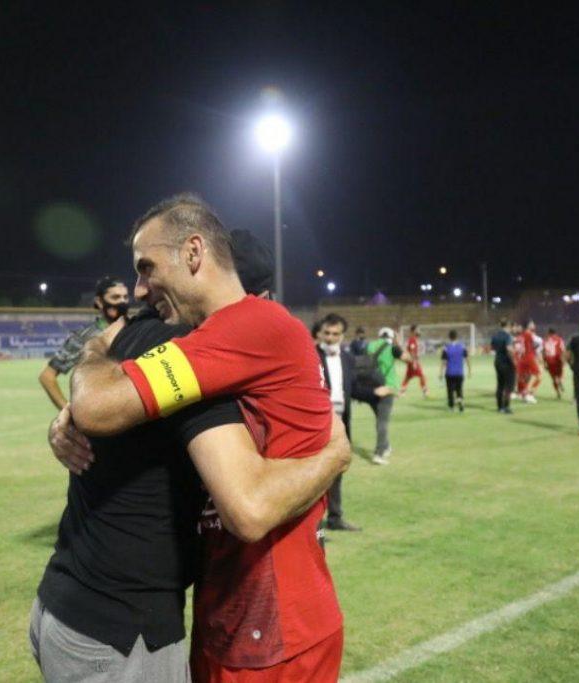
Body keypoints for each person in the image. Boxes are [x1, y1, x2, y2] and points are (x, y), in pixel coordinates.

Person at [66, 195, 345, 681]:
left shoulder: (247, 326)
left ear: (194, 252)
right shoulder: (218, 336)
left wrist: (336, 456)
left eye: (147, 268)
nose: (138, 290)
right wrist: (67, 417)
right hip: (235, 608)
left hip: (275, 622)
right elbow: (100, 402)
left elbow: (98, 405)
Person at [38, 277, 130, 410]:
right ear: (99, 302)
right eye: (115, 297)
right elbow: (47, 376)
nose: (122, 302)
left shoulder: (137, 328)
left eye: (125, 297)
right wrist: (68, 412)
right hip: (102, 414)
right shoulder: (84, 337)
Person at [314, 313, 361, 531]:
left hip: (341, 423)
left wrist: (375, 393)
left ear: (342, 336)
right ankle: (313, 523)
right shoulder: (310, 356)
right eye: (327, 333)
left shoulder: (348, 359)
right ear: (320, 333)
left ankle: (335, 518)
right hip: (317, 424)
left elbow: (354, 388)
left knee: (337, 470)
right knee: (314, 474)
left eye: (335, 334)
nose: (331, 337)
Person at [364, 327, 409, 465]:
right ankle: (379, 453)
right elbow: (408, 359)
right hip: (387, 387)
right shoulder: (392, 348)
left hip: (371, 388)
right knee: (382, 421)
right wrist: (400, 344)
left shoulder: (369, 346)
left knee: (379, 418)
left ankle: (386, 445)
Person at [438, 330, 470, 412]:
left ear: (449, 337)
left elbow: (444, 362)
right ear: (457, 337)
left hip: (450, 373)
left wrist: (441, 373)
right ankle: (460, 400)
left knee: (450, 390)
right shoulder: (462, 347)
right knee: (459, 389)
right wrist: (469, 370)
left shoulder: (446, 348)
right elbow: (467, 359)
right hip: (459, 372)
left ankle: (451, 407)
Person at [491, 319, 516, 414]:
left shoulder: (495, 336)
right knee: (509, 386)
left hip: (498, 362)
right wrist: (513, 360)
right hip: (507, 363)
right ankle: (506, 406)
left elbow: (493, 347)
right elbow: (509, 349)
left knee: (500, 385)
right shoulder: (508, 336)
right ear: (508, 326)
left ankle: (499, 407)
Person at [516, 321, 542, 403]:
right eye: (532, 324)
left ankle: (524, 394)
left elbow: (518, 346)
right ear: (528, 326)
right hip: (529, 357)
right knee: (538, 376)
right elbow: (535, 344)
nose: (534, 325)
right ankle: (528, 394)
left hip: (522, 358)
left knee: (524, 377)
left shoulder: (521, 335)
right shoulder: (529, 334)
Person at [400, 324, 429, 398]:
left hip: (411, 361)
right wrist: (414, 362)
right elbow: (412, 351)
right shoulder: (412, 340)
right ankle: (425, 391)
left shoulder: (413, 339)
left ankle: (402, 392)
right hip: (413, 361)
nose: (419, 331)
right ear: (413, 331)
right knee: (421, 376)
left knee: (408, 377)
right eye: (417, 330)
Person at [543, 328, 566, 400]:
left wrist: (544, 363)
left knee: (553, 378)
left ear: (548, 333)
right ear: (555, 333)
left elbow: (544, 352)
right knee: (560, 375)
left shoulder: (545, 340)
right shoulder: (559, 339)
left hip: (549, 360)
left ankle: (558, 393)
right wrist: (564, 360)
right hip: (558, 360)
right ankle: (560, 381)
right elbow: (563, 350)